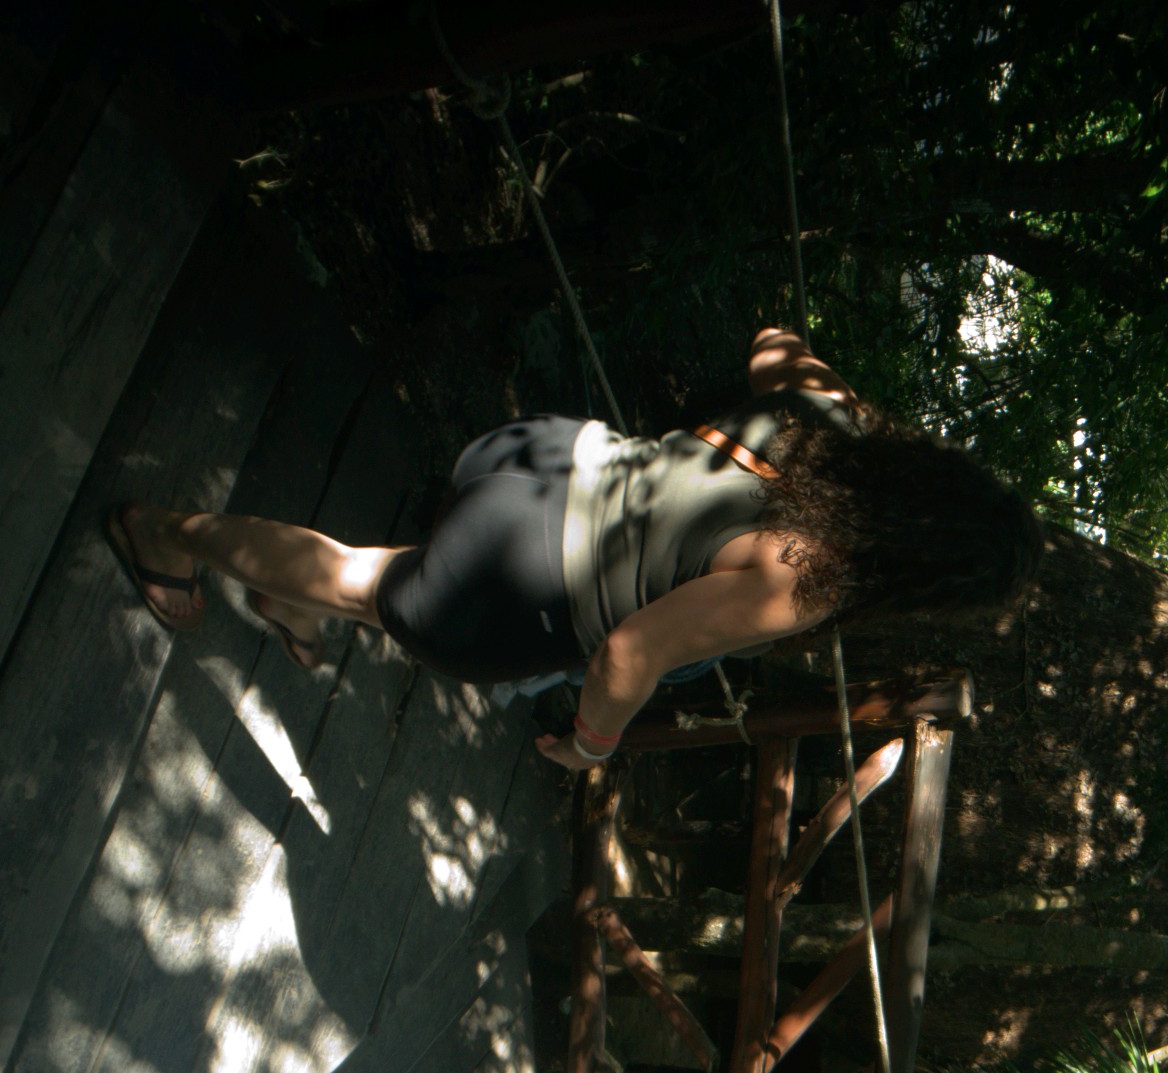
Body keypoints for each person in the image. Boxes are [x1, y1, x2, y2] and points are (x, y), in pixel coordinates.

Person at [106, 327, 1042, 772]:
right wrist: (592, 744)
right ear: (925, 581)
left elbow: (770, 344)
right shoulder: (808, 579)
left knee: (377, 579)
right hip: (528, 577)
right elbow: (630, 653)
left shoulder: (836, 422)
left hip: (550, 455)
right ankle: (163, 533)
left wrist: (843, 398)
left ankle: (287, 599)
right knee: (364, 580)